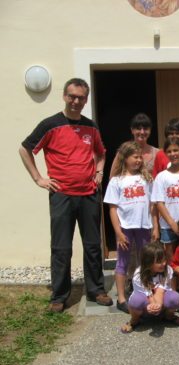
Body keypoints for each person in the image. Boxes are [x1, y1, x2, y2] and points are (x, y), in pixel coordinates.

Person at [19, 78, 112, 313]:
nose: (76, 101)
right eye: (72, 96)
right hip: (61, 195)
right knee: (61, 248)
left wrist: (99, 171)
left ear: (86, 99)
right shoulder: (50, 124)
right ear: (64, 96)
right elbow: (25, 148)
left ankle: (96, 290)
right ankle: (59, 296)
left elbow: (101, 153)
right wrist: (38, 179)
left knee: (92, 246)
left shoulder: (91, 126)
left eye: (81, 97)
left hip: (89, 194)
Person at [104, 141, 158, 313]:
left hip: (144, 226)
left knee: (146, 261)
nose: (138, 160)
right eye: (135, 157)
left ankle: (145, 292)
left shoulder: (147, 179)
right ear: (125, 158)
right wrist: (118, 232)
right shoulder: (116, 181)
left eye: (140, 157)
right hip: (125, 227)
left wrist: (155, 227)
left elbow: (152, 206)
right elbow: (112, 209)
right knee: (122, 262)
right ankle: (121, 298)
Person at [120, 242, 179, 333]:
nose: (164, 263)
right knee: (136, 301)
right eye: (159, 262)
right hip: (145, 304)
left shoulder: (167, 270)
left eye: (164, 260)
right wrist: (153, 306)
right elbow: (148, 295)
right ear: (148, 262)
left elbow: (160, 291)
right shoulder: (138, 274)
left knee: (175, 297)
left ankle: (169, 316)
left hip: (160, 301)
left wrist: (157, 306)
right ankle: (134, 321)